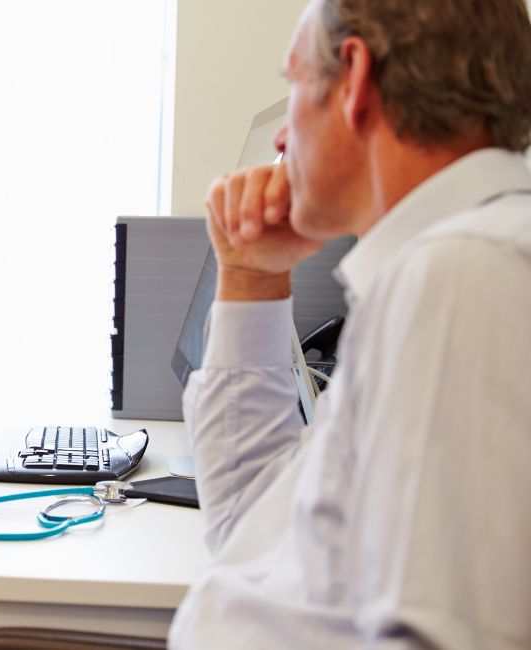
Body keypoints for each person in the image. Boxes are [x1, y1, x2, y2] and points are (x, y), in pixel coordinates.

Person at [170, 0, 531, 647]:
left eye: (294, 87)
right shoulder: (433, 271)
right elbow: (250, 528)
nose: (281, 138)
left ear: (356, 78)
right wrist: (252, 277)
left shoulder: (464, 274)